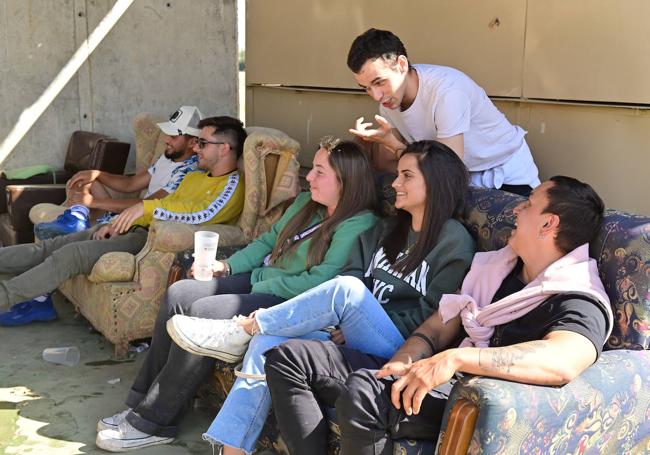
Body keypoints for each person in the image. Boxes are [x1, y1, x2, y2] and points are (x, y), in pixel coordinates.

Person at [165, 140, 476, 455]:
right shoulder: (388, 229)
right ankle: (233, 450)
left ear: (435, 184)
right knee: (267, 343)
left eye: (406, 176)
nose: (395, 183)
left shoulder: (453, 242)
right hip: (353, 329)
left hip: (400, 344)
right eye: (397, 174)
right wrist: (353, 320)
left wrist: (357, 316)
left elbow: (432, 315)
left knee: (345, 291)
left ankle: (245, 327)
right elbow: (355, 272)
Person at [264, 176, 613, 454]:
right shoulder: (498, 268)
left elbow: (564, 359)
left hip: (476, 397)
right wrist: (403, 360)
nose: (516, 211)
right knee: (290, 357)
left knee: (365, 393)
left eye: (529, 204)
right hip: (437, 375)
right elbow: (437, 326)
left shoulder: (578, 294)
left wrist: (457, 359)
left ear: (548, 224)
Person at [94, 137, 380, 452]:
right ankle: (142, 399)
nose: (309, 177)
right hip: (263, 280)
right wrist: (227, 267)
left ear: (346, 181)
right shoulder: (306, 204)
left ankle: (154, 421)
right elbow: (267, 240)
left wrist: (258, 282)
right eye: (312, 169)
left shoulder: (359, 223)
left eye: (320, 172)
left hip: (289, 300)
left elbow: (321, 281)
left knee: (202, 311)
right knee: (180, 293)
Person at [0, 116, 247, 318]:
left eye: (202, 143)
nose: (196, 148)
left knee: (70, 255)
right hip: (137, 227)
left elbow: (201, 215)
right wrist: (118, 223)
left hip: (153, 240)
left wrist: (142, 210)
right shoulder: (195, 176)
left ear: (224, 148)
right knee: (50, 247)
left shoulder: (232, 185)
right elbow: (159, 200)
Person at [347, 28, 540, 196]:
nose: (376, 95)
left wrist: (393, 144)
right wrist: (385, 142)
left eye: (379, 82)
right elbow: (407, 165)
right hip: (457, 180)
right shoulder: (388, 104)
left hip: (505, 173)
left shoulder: (447, 91)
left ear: (402, 65)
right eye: (366, 88)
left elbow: (448, 167)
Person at [33, 106, 204, 237]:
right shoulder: (168, 157)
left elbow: (146, 205)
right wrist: (96, 174)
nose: (166, 139)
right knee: (85, 180)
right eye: (167, 133)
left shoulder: (189, 172)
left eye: (173, 136)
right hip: (130, 212)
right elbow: (132, 184)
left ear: (192, 142)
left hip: (139, 220)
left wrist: (94, 202)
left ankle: (76, 225)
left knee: (87, 207)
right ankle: (76, 221)